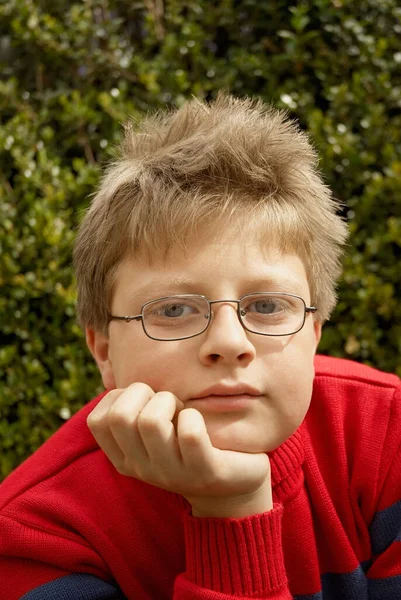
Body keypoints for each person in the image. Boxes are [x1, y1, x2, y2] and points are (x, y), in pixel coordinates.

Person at [1, 93, 400, 600]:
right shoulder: (34, 537)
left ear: (314, 331)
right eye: (171, 310)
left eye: (268, 306)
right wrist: (230, 510)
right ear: (103, 350)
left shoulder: (387, 435)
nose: (229, 343)